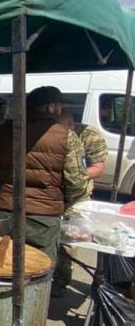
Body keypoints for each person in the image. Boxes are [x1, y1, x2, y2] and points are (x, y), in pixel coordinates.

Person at [0, 86, 88, 268]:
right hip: (42, 220)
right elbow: (77, 182)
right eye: (59, 106)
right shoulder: (67, 137)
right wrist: (65, 203)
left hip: (2, 212)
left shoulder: (2, 132)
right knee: (37, 270)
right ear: (51, 107)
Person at [53, 109, 108, 295]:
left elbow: (98, 168)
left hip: (77, 196)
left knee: (69, 240)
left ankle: (60, 281)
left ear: (71, 125)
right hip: (53, 194)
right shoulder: (52, 133)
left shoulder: (90, 136)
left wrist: (74, 175)